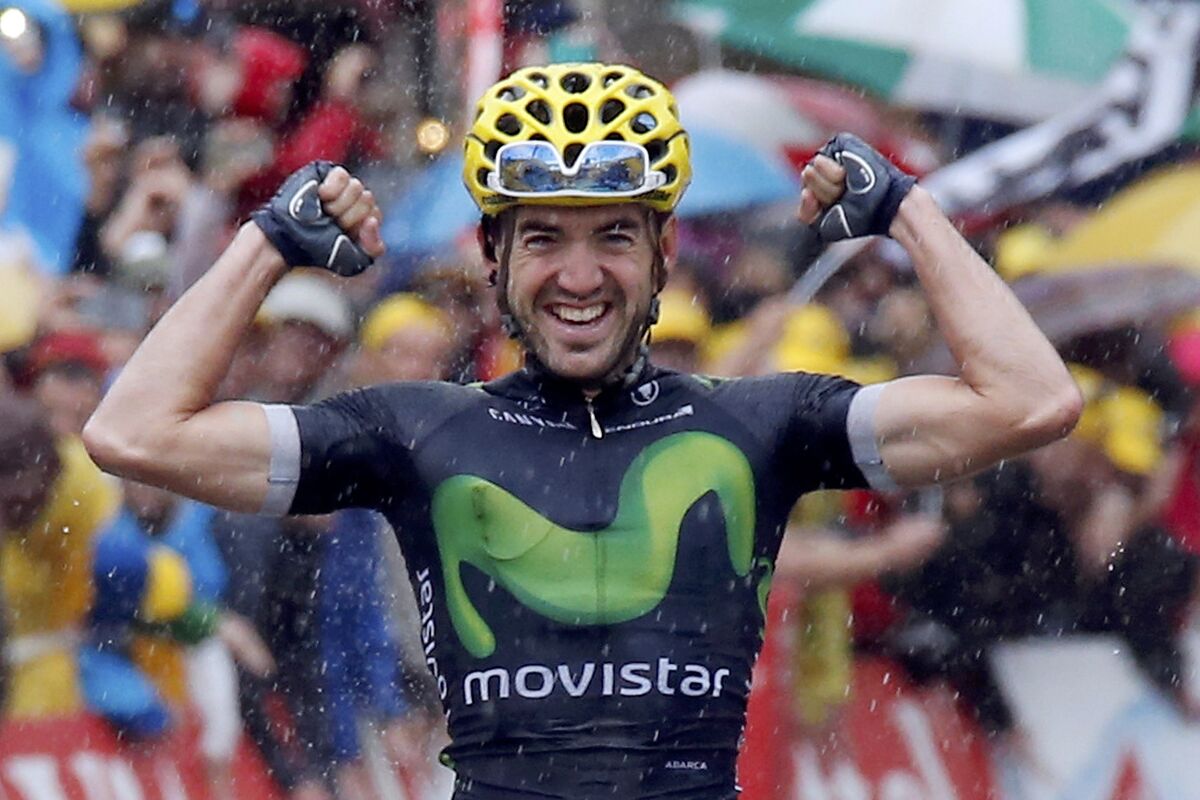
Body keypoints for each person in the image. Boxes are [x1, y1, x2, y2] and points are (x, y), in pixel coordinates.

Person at [84, 63, 1081, 798]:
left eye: (612, 235)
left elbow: (1031, 401)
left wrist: (908, 212)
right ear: (493, 253)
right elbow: (135, 431)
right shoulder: (413, 430)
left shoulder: (760, 423)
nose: (578, 274)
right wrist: (268, 241)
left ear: (664, 251)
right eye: (543, 237)